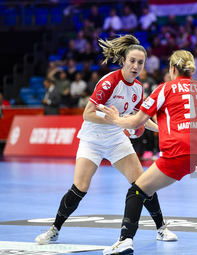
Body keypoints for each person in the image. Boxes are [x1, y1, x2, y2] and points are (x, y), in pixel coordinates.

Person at [99, 50, 197, 254]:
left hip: (180, 151)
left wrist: (116, 119)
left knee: (137, 191)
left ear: (173, 69)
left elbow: (136, 121)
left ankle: (125, 240)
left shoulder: (164, 89)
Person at [35, 34, 177, 245]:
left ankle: (161, 228)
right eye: (132, 61)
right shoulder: (109, 82)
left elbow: (138, 119)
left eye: (140, 62)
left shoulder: (138, 88)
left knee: (143, 183)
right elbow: (88, 114)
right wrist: (118, 121)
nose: (136, 66)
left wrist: (161, 131)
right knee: (80, 187)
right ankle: (54, 229)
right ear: (123, 61)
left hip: (116, 139)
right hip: (92, 139)